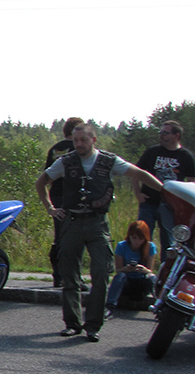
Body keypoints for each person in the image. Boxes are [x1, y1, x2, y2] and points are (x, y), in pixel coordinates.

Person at [36, 123, 164, 342]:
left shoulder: (109, 161)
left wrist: (166, 192)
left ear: (93, 140)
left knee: (102, 273)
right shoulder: (65, 162)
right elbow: (41, 182)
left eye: (83, 140)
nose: (79, 144)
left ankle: (93, 325)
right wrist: (50, 208)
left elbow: (139, 173)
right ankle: (72, 323)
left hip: (97, 224)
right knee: (70, 275)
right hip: (72, 222)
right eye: (76, 140)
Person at [132, 119, 195, 252]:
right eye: (160, 132)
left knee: (169, 240)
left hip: (171, 205)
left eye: (165, 133)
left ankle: (166, 264)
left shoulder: (185, 156)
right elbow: (136, 172)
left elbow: (192, 183)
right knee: (141, 237)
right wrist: (138, 193)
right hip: (148, 201)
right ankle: (140, 264)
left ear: (176, 135)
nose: (161, 135)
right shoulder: (152, 152)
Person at [45, 117, 85, 287]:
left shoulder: (55, 149)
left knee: (59, 236)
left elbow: (47, 176)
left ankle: (58, 275)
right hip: (73, 196)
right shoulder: (79, 149)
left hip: (56, 195)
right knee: (76, 238)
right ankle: (74, 276)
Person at [105, 220, 157, 317]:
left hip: (141, 282)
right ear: (129, 236)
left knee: (152, 277)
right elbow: (118, 270)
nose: (137, 242)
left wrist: (143, 270)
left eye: (140, 239)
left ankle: (159, 304)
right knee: (120, 276)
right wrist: (126, 268)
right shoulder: (122, 246)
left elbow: (150, 270)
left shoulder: (150, 247)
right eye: (134, 238)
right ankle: (110, 306)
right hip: (128, 282)